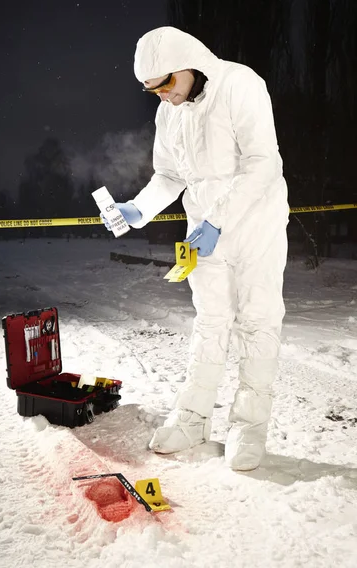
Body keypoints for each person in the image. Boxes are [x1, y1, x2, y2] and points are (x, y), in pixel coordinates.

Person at [101, 26, 288, 471]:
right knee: (210, 321)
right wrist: (137, 210)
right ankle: (192, 418)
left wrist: (219, 219)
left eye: (166, 83)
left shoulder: (241, 84)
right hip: (205, 228)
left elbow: (265, 163)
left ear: (189, 63)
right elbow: (169, 176)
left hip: (254, 222)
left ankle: (249, 426)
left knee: (257, 321)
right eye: (152, 90)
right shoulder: (170, 113)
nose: (162, 95)